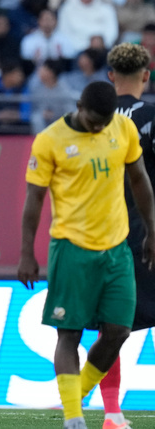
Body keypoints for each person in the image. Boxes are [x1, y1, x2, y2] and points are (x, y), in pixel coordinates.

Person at [19, 81, 155, 429]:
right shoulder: (50, 140)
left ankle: (75, 393)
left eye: (104, 121)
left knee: (118, 331)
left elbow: (139, 180)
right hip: (71, 249)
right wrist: (26, 253)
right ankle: (74, 417)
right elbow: (34, 199)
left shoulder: (121, 127)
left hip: (117, 250)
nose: (99, 127)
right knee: (69, 333)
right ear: (79, 105)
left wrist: (152, 232)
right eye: (94, 119)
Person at [97, 44, 155, 429]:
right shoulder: (151, 117)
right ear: (146, 76)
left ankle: (112, 413)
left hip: (100, 231)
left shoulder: (90, 118)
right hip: (146, 228)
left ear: (110, 76)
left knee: (109, 324)